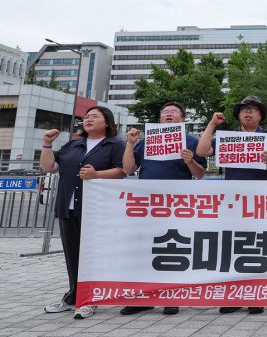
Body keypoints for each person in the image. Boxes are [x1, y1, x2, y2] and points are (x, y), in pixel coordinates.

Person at [196, 95, 267, 315]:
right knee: (232, 247)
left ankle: (256, 296)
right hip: (233, 201)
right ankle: (233, 296)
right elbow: (201, 151)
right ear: (238, 115)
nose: (248, 113)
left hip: (261, 201)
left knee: (259, 247)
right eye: (244, 109)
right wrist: (212, 124)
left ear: (261, 115)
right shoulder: (229, 137)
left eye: (254, 110)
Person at [119, 101, 207, 316]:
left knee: (171, 248)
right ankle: (143, 298)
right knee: (144, 250)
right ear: (159, 119)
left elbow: (200, 173)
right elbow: (129, 168)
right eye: (165, 112)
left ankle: (171, 296)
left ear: (182, 119)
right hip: (148, 204)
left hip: (176, 205)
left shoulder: (192, 141)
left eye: (174, 112)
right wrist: (130, 144)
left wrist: (189, 161)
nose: (169, 115)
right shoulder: (146, 141)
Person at [41, 106, 126, 320]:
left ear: (107, 122)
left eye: (94, 116)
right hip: (67, 208)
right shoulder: (73, 144)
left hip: (96, 210)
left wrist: (96, 174)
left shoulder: (115, 144)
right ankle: (73, 296)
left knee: (91, 256)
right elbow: (48, 167)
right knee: (72, 255)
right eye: (86, 117)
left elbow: (122, 171)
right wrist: (47, 144)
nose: (88, 119)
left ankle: (89, 299)